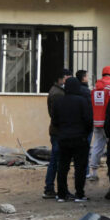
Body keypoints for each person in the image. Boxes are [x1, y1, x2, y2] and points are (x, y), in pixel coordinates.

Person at [51, 76, 93, 202]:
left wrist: (62, 131)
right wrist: (85, 133)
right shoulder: (82, 101)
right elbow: (88, 120)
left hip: (63, 138)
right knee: (80, 167)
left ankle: (62, 194)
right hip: (80, 138)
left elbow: (54, 121)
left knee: (63, 167)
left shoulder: (59, 101)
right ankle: (79, 194)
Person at [42, 69, 71, 199]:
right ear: (61, 79)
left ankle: (50, 188)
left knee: (56, 160)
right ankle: (51, 188)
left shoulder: (57, 91)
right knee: (57, 161)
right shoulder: (58, 94)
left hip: (57, 131)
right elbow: (56, 115)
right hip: (58, 132)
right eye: (66, 78)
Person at [87, 66, 110, 181]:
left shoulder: (95, 87)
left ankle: (93, 172)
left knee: (97, 146)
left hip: (96, 121)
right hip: (108, 122)